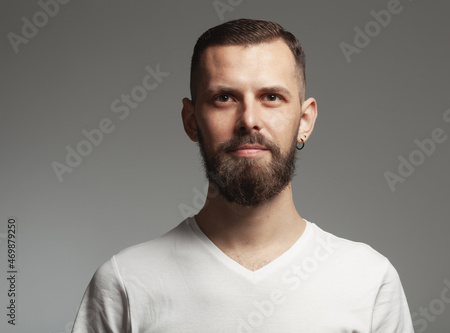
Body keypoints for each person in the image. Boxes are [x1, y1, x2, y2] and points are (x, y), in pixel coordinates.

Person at [71, 18, 414, 332]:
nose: (249, 119)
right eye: (224, 97)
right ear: (191, 120)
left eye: (271, 97)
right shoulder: (126, 283)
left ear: (305, 121)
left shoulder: (368, 280)